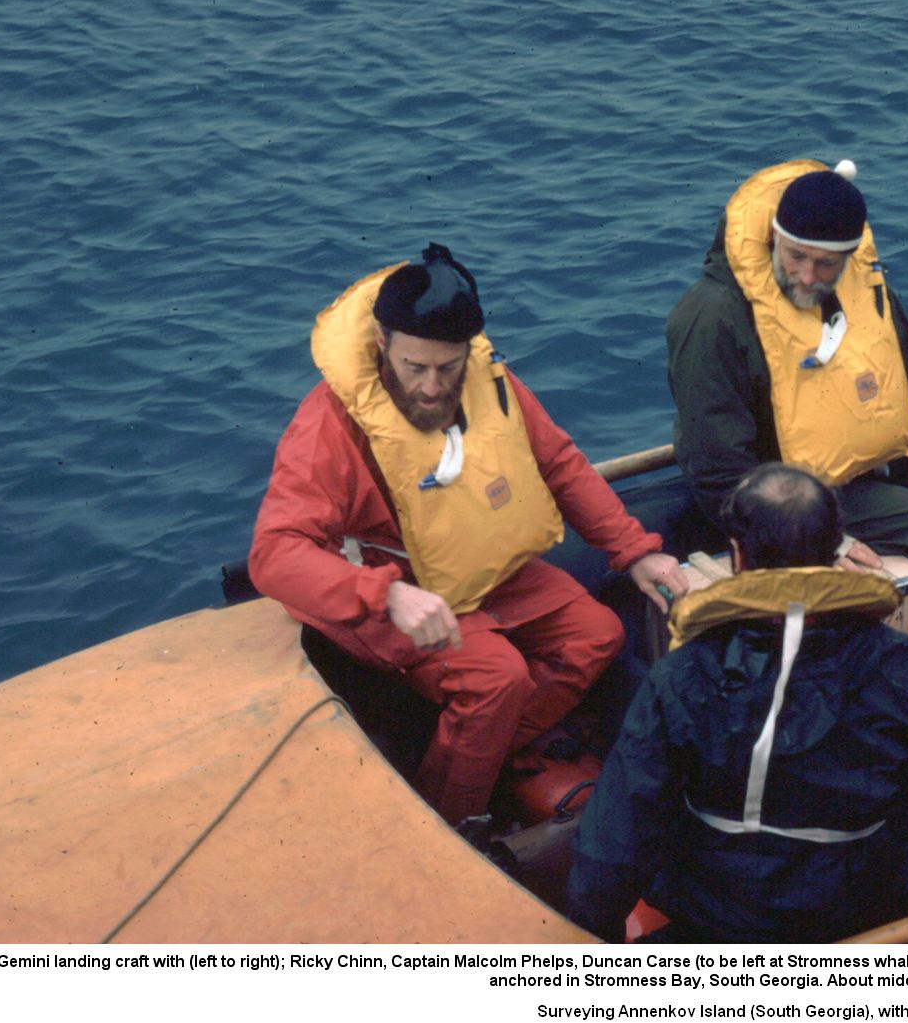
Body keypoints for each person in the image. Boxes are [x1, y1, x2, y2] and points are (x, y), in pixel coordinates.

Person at [249, 243, 687, 827]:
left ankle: (486, 753)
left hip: (489, 572)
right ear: (382, 345)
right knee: (495, 680)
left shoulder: (491, 381)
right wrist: (386, 595)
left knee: (599, 633)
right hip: (398, 590)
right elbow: (274, 554)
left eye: (448, 368)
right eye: (415, 367)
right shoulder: (329, 425)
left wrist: (633, 552)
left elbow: (557, 461)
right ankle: (451, 821)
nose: (433, 387)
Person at [565, 463, 908, 942]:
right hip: (865, 899)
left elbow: (619, 831)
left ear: (737, 556)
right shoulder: (898, 664)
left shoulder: (681, 674)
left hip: (719, 906)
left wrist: (594, 937)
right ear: (836, 552)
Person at [664, 158, 908, 589]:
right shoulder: (713, 316)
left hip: (855, 463)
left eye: (827, 264)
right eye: (796, 257)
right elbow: (717, 467)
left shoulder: (865, 285)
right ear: (773, 239)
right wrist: (814, 536)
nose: (808, 277)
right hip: (778, 495)